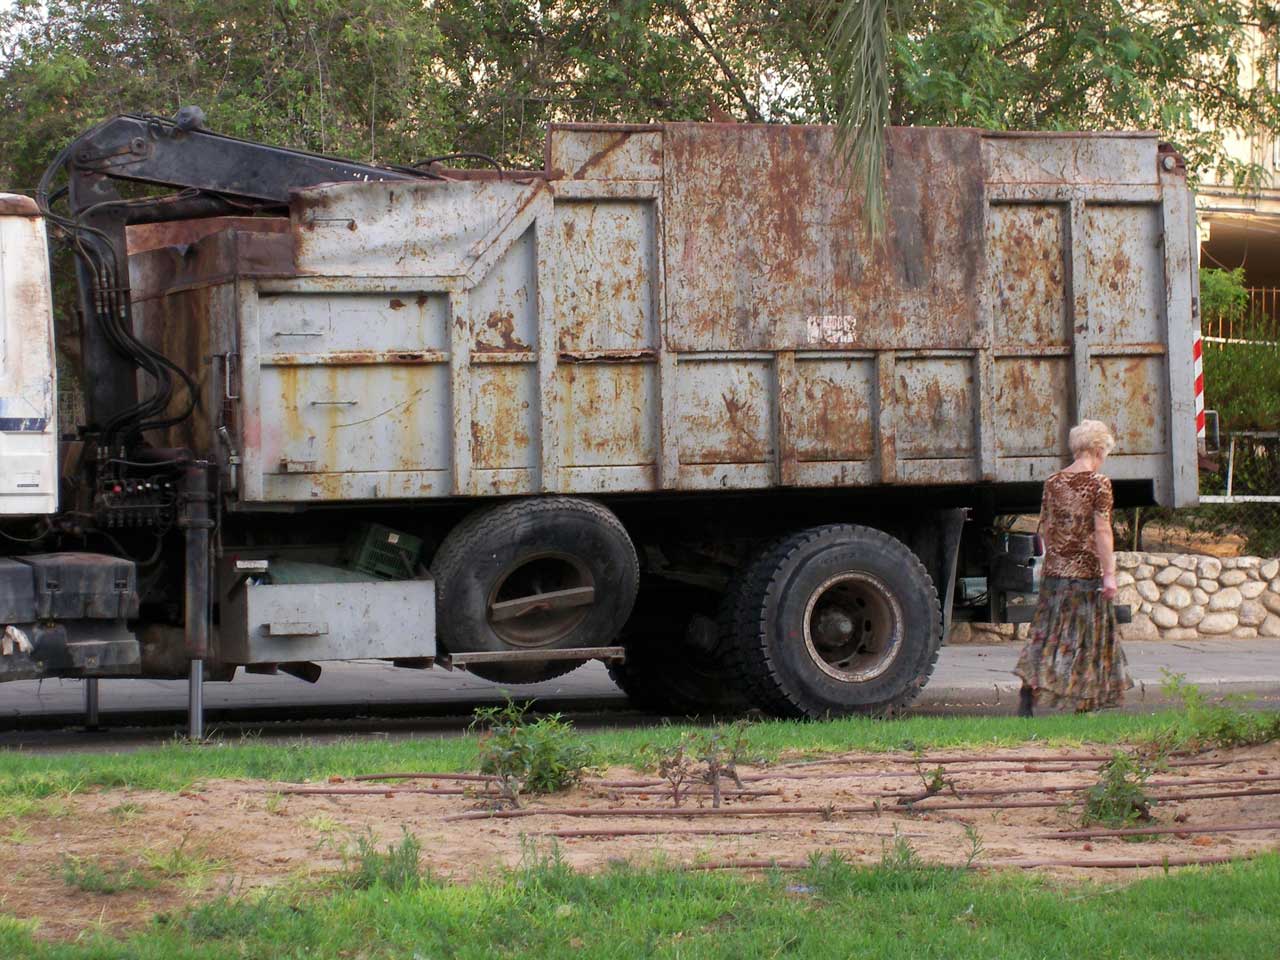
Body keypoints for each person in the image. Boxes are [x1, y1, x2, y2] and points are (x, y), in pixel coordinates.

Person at [1014, 419, 1133, 716]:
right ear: (1096, 449)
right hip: (1086, 574)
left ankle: (1029, 690)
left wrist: (1055, 559)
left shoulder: (1053, 482)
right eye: (1105, 450)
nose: (1105, 456)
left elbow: (1047, 526)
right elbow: (1102, 530)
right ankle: (1085, 703)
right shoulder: (1099, 483)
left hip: (1055, 573)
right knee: (1086, 637)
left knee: (1047, 633)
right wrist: (1109, 575)